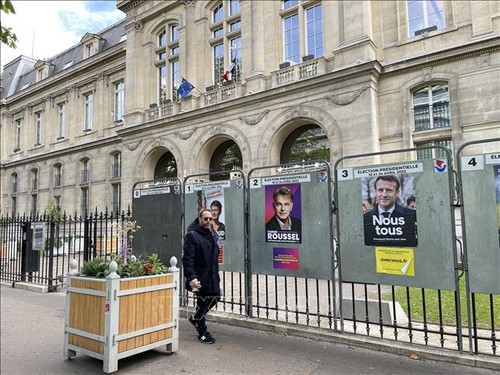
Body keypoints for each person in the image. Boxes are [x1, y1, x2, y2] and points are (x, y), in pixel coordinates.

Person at [183, 209, 221, 344]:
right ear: (199, 219)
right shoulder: (192, 235)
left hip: (212, 275)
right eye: (206, 219)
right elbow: (187, 259)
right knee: (203, 302)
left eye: (210, 219)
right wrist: (191, 277)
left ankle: (196, 319)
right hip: (200, 277)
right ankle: (202, 333)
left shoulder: (211, 234)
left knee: (216, 298)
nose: (208, 221)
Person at [363, 175, 417, 246]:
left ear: (397, 193)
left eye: (389, 190)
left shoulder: (412, 216)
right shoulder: (365, 219)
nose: (384, 194)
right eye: (380, 190)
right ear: (376, 192)